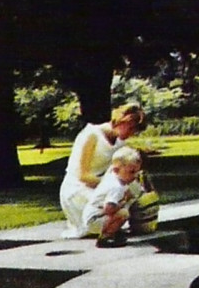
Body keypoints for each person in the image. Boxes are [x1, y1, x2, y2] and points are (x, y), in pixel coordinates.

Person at [59, 103, 145, 239]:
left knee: (133, 188)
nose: (130, 134)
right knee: (113, 201)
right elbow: (83, 176)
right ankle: (103, 228)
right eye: (130, 128)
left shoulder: (119, 143)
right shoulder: (92, 135)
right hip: (77, 189)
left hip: (100, 186)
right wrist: (114, 186)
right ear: (121, 121)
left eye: (134, 131)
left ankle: (119, 223)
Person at [80, 145, 145, 247]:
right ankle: (106, 238)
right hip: (94, 219)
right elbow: (108, 209)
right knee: (123, 213)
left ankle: (113, 231)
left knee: (123, 210)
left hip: (92, 216)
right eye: (131, 172)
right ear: (116, 170)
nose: (135, 175)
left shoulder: (114, 177)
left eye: (137, 171)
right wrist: (124, 201)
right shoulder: (116, 187)